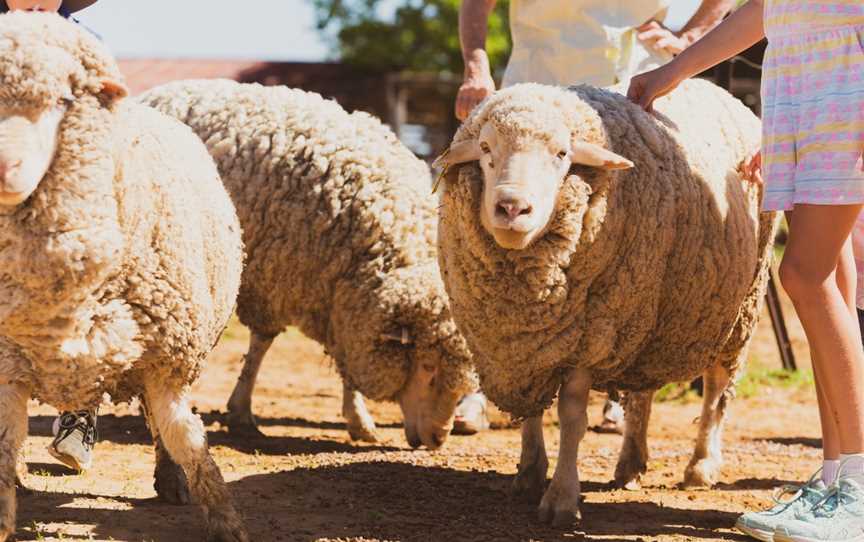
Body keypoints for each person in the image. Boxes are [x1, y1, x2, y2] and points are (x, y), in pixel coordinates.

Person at [629, 1, 864, 540]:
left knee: (805, 275)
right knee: (832, 277)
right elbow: (764, 8)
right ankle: (836, 480)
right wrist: (672, 71)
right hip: (800, 89)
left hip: (847, 93)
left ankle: (858, 488)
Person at [452, 0, 736, 435]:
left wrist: (690, 39)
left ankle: (617, 394)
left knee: (625, 253)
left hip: (628, 99)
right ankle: (482, 387)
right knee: (495, 261)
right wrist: (475, 68)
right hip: (533, 95)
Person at [0, 0, 101, 472]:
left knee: (76, 298)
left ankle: (78, 417)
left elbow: (103, 114)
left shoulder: (83, 43)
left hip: (60, 191)